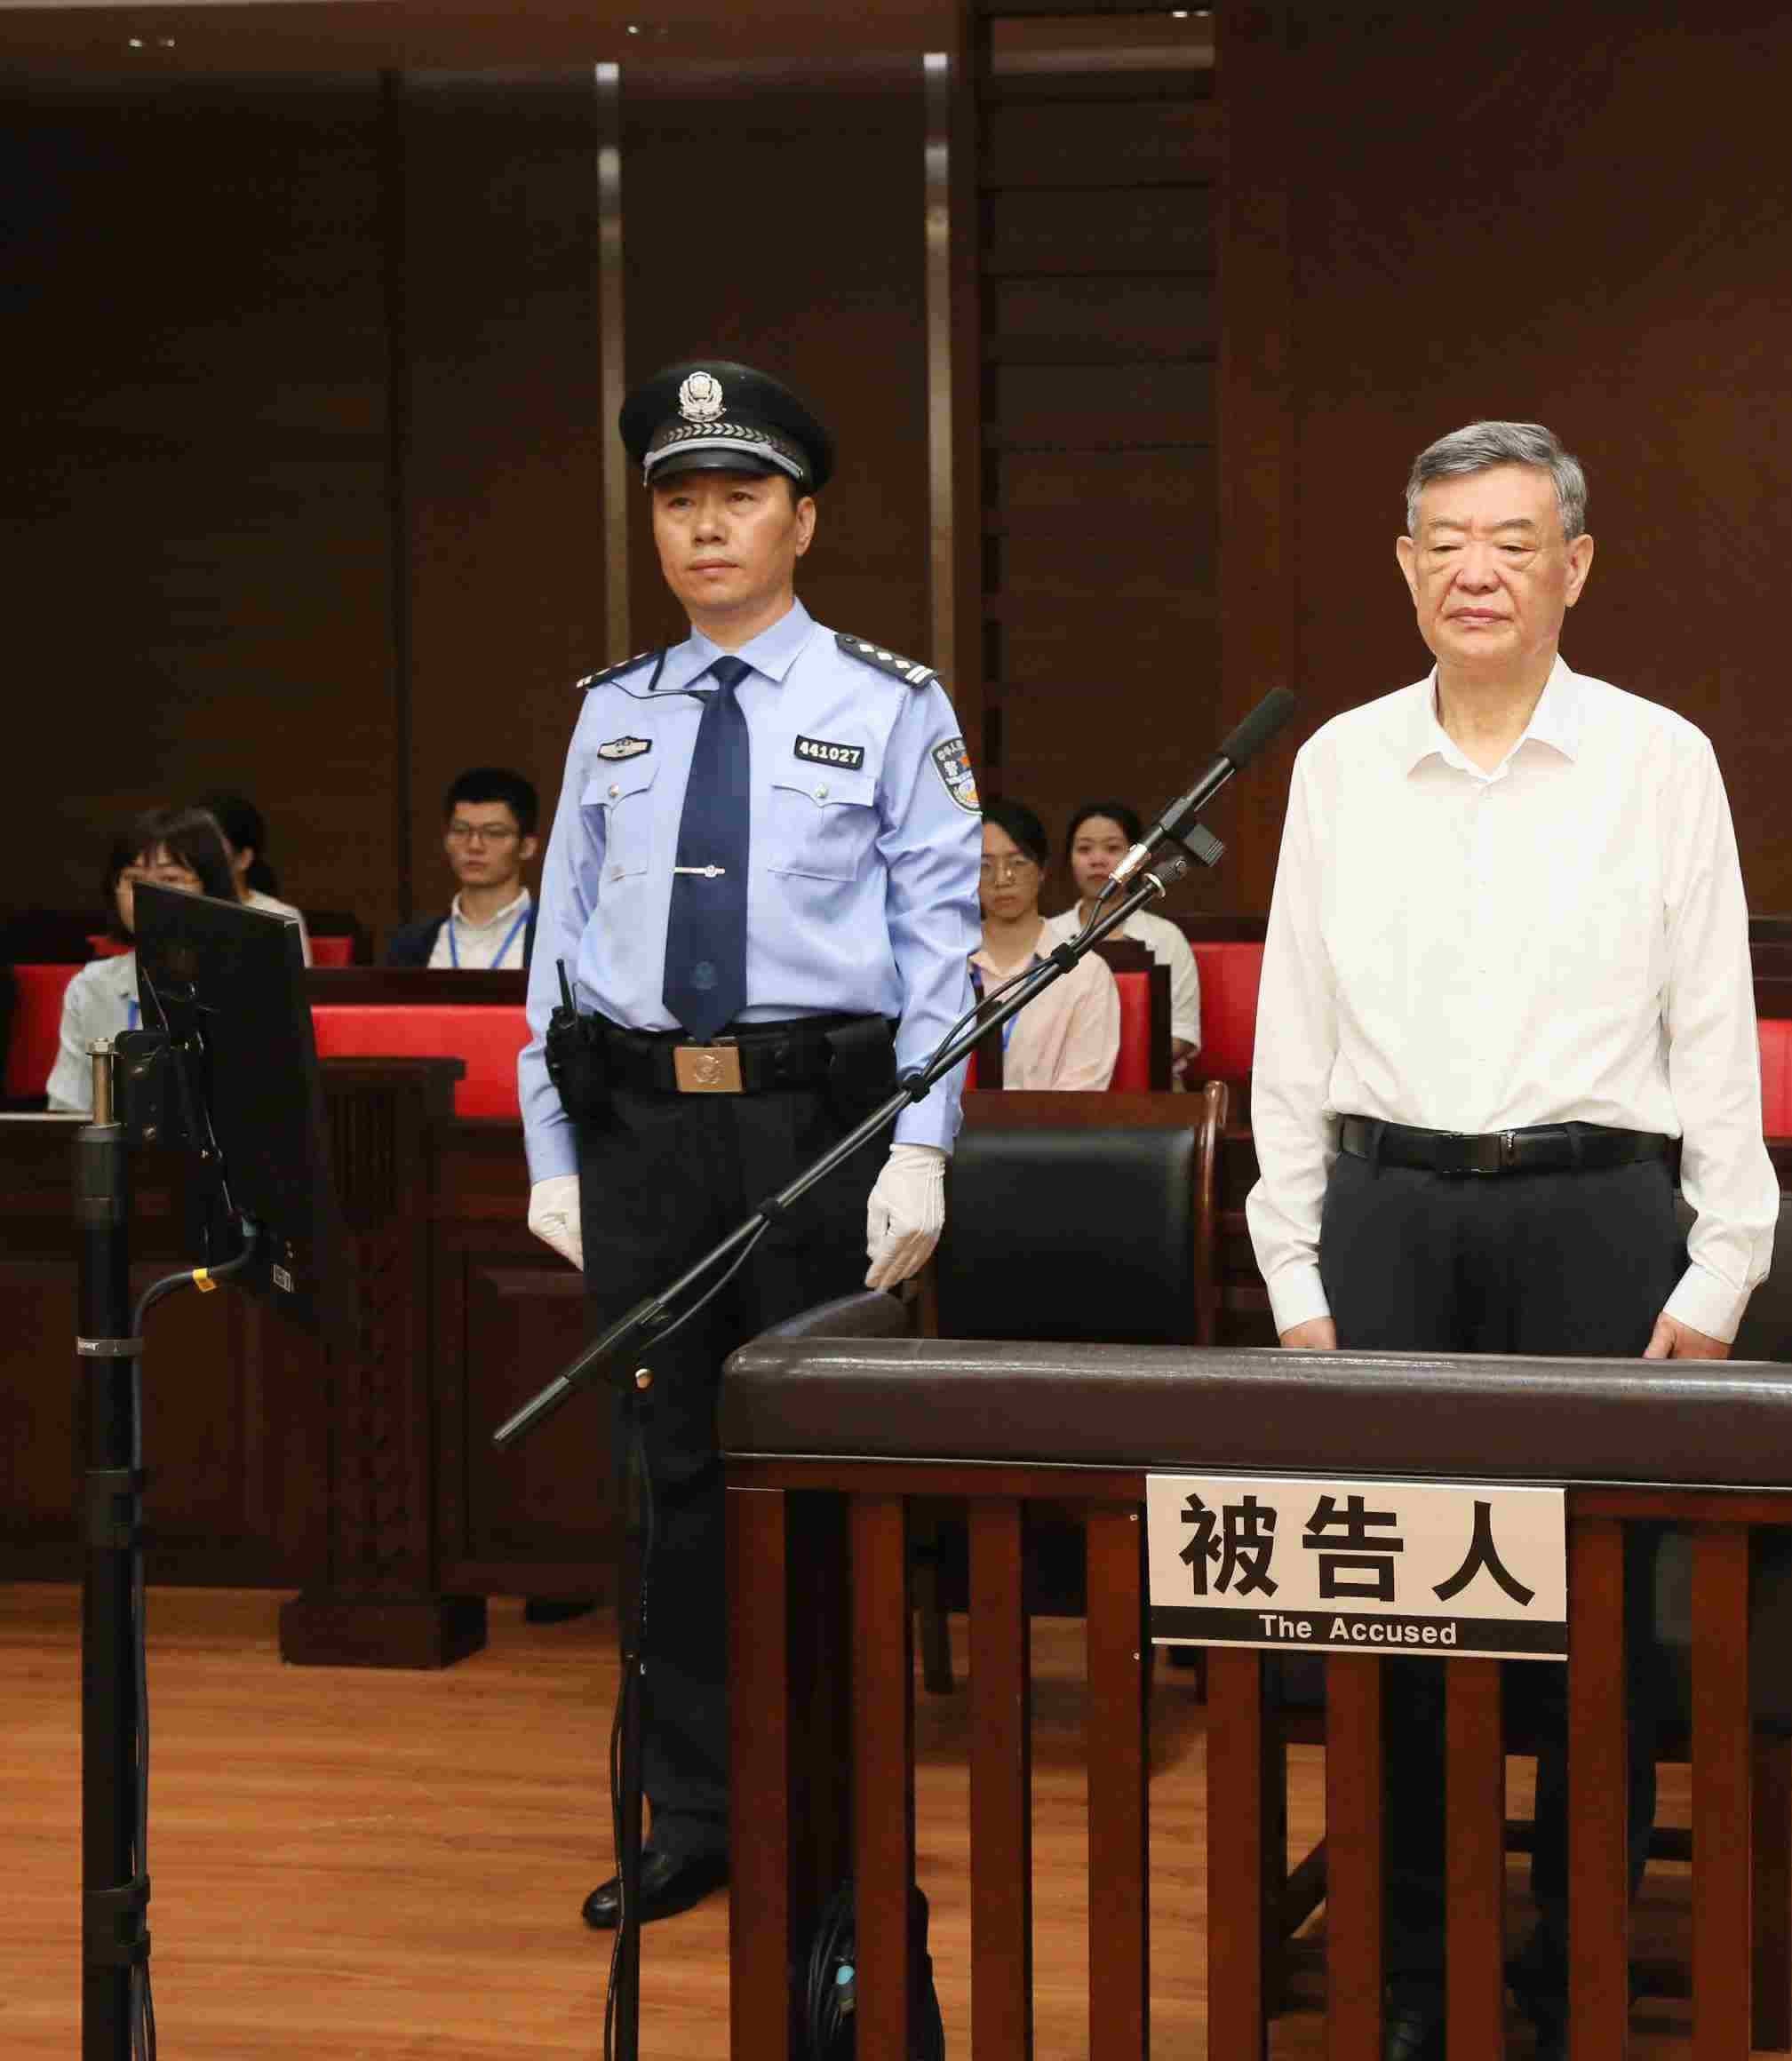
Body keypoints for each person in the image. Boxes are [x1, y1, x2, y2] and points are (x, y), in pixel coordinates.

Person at [1246, 419, 1776, 2060]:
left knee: (1592, 1635)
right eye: (1448, 541)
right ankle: (1416, 1977)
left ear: (1576, 567)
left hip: (1596, 1219)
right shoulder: (1340, 765)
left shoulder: (1660, 760)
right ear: (1407, 567)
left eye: (1514, 539)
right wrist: (1295, 1275)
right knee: (1393, 1632)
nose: (1478, 570)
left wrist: (1723, 1265)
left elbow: (1716, 1026)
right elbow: (1290, 1036)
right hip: (1388, 1220)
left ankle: (1579, 1971)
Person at [517, 359, 979, 1930]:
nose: (706, 528)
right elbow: (559, 942)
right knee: (667, 1477)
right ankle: (696, 1809)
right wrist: (553, 1148)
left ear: (803, 521)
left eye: (739, 497)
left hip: (816, 1127)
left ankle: (837, 1821)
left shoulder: (890, 705)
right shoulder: (612, 713)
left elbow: (939, 950)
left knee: (823, 1478)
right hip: (642, 1127)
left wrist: (922, 1145)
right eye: (679, 502)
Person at [49, 807, 242, 1113]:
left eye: (171, 878)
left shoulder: (247, 981)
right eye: (134, 879)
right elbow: (67, 1111)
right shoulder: (91, 987)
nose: (147, 895)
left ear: (210, 887)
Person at [974, 797, 1118, 1090]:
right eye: (984, 866)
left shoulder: (1085, 972)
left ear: (1042, 870)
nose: (1001, 879)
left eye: (1017, 863)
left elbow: (1082, 1094)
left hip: (1051, 1121)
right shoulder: (946, 967)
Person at [1061, 800, 1203, 1078]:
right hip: (1063, 1086)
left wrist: (1116, 1065)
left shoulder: (1166, 938)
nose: (1097, 859)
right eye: (1084, 849)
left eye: (1112, 848)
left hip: (1150, 1087)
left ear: (1138, 861)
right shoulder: (1050, 936)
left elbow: (1183, 1033)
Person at [385, 768, 542, 969]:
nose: (474, 845)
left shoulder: (556, 937)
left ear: (527, 846)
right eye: (460, 831)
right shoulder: (410, 945)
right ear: (446, 840)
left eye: (494, 833)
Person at [195, 789, 306, 925]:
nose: (198, 855)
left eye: (211, 845)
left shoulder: (279, 915)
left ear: (244, 859)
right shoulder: (187, 907)